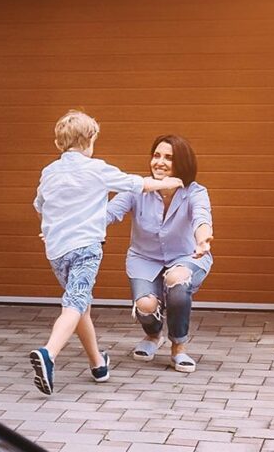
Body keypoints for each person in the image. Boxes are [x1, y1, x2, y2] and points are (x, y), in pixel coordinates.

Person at [29, 110, 184, 395]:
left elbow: (40, 204)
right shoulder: (96, 168)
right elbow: (137, 184)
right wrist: (168, 183)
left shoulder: (49, 172)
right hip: (85, 249)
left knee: (80, 305)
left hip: (57, 251)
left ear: (58, 143)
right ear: (90, 140)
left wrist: (55, 226)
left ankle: (98, 365)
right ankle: (48, 353)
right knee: (75, 304)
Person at [106, 134, 213, 373]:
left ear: (182, 163)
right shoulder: (138, 189)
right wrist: (70, 228)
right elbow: (109, 213)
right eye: (156, 156)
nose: (160, 162)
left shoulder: (195, 191)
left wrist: (203, 240)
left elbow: (201, 218)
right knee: (145, 305)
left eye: (168, 158)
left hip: (186, 256)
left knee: (177, 280)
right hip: (144, 257)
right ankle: (154, 336)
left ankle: (179, 347)